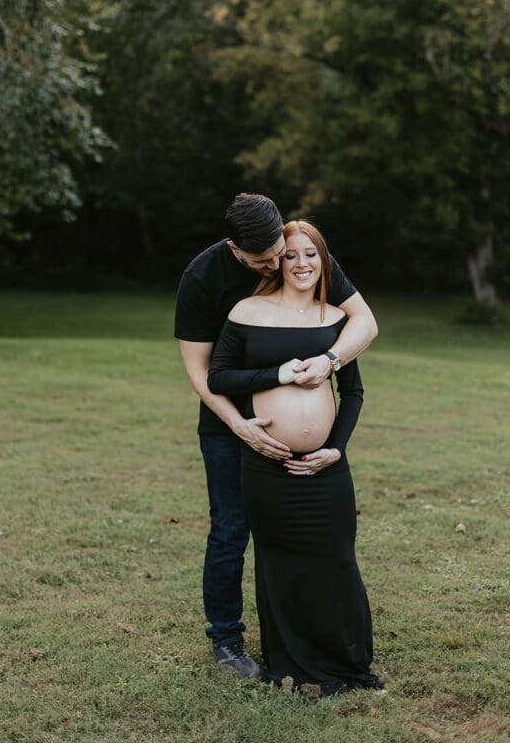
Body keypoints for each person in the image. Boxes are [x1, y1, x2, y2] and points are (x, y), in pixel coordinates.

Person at [174, 194, 378, 677]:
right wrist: (239, 425)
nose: (275, 264)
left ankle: (317, 636)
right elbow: (201, 372)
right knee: (230, 530)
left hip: (299, 439)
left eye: (278, 253)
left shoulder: (296, 249)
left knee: (302, 538)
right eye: (262, 260)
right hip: (228, 425)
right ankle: (226, 640)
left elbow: (363, 319)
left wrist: (330, 361)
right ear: (235, 249)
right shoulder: (202, 279)